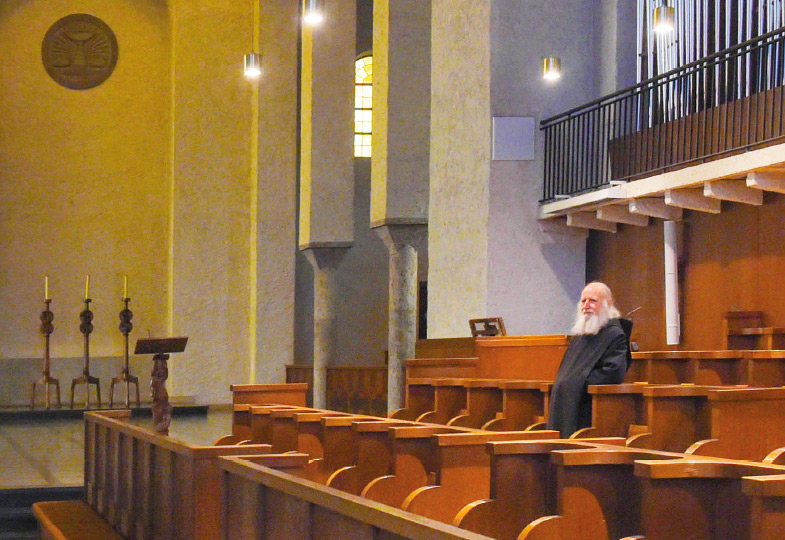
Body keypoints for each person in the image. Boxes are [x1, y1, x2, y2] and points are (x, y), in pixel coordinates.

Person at [547, 281, 630, 438]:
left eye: (593, 301)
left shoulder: (614, 335)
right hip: (567, 402)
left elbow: (613, 373)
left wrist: (578, 383)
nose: (586, 305)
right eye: (583, 301)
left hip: (588, 408)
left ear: (608, 304)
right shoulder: (580, 336)